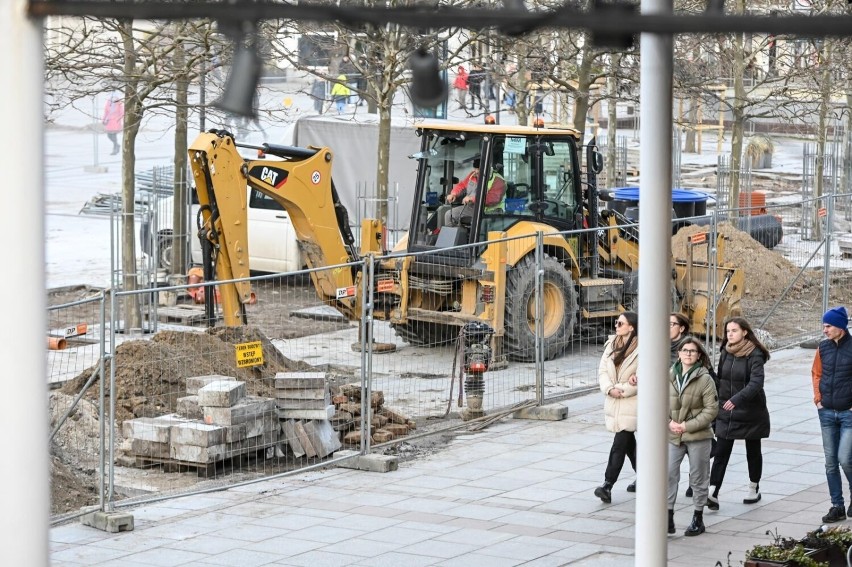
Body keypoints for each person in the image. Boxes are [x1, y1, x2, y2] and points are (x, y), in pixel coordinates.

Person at [707, 316, 771, 511]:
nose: (730, 334)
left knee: (753, 450)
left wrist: (737, 400)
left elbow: (756, 383)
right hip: (726, 409)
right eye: (728, 331)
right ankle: (713, 491)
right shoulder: (726, 351)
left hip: (750, 409)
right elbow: (721, 379)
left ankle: (754, 487)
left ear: (744, 332)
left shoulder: (755, 353)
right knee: (721, 451)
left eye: (734, 331)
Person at [667, 337, 719, 537]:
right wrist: (669, 423)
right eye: (685, 350)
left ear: (699, 355)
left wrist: (686, 426)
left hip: (698, 435)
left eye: (693, 351)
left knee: (698, 477)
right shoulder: (669, 375)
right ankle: (668, 516)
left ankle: (698, 517)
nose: (688, 353)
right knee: (669, 474)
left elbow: (711, 410)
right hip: (673, 435)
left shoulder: (705, 378)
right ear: (679, 353)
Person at [812, 306, 852, 524]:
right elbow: (816, 373)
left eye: (828, 326)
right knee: (830, 463)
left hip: (848, 415)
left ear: (840, 326)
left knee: (845, 459)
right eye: (824, 326)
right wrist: (818, 399)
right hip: (827, 413)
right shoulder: (823, 348)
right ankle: (837, 505)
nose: (824, 330)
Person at [594, 311, 639, 503]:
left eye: (620, 323)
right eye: (616, 323)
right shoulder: (611, 346)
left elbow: (643, 375)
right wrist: (609, 389)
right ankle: (648, 477)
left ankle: (607, 484)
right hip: (614, 399)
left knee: (620, 443)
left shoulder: (644, 348)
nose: (616, 326)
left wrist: (622, 389)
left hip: (632, 401)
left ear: (632, 327)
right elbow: (603, 370)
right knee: (628, 443)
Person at [444, 156, 506, 227]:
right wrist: (453, 194)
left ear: (487, 168)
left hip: (491, 211)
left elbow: (493, 198)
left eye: (479, 169)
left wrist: (472, 199)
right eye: (475, 168)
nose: (476, 171)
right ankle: (456, 237)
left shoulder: (498, 180)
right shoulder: (473, 175)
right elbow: (462, 185)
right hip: (474, 208)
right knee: (449, 215)